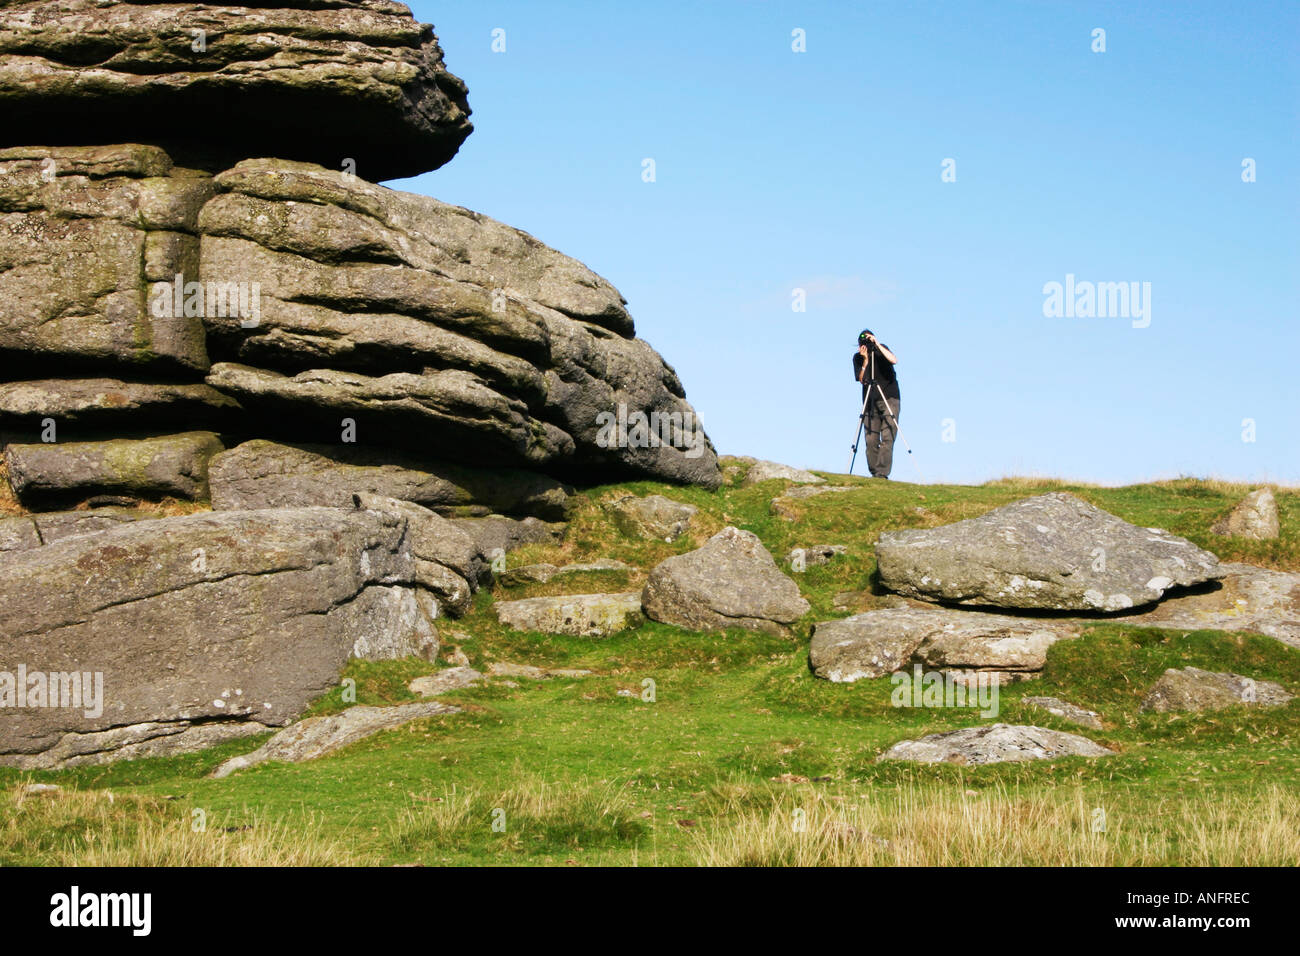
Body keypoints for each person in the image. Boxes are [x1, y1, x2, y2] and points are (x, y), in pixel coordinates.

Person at [852, 328, 900, 478]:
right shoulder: (858, 358)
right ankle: (874, 472)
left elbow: (894, 360)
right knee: (871, 439)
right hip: (870, 401)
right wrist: (865, 360)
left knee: (888, 436)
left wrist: (877, 344)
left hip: (889, 397)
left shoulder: (881, 349)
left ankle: (882, 473)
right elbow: (861, 379)